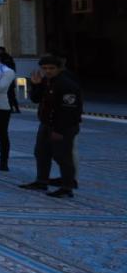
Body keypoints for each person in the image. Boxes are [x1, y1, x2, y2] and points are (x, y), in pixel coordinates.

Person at [19, 55, 83, 198]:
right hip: (46, 124)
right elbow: (36, 99)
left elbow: (69, 110)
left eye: (51, 68)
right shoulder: (47, 82)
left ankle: (67, 187)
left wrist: (59, 130)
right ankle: (41, 181)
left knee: (62, 156)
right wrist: (36, 85)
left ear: (59, 69)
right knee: (41, 153)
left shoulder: (67, 85)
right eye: (45, 68)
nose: (48, 71)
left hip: (62, 127)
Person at [0, 47, 21, 113]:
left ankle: (11, 108)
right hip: (9, 79)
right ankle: (16, 109)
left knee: (8, 95)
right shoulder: (8, 58)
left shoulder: (2, 59)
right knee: (11, 95)